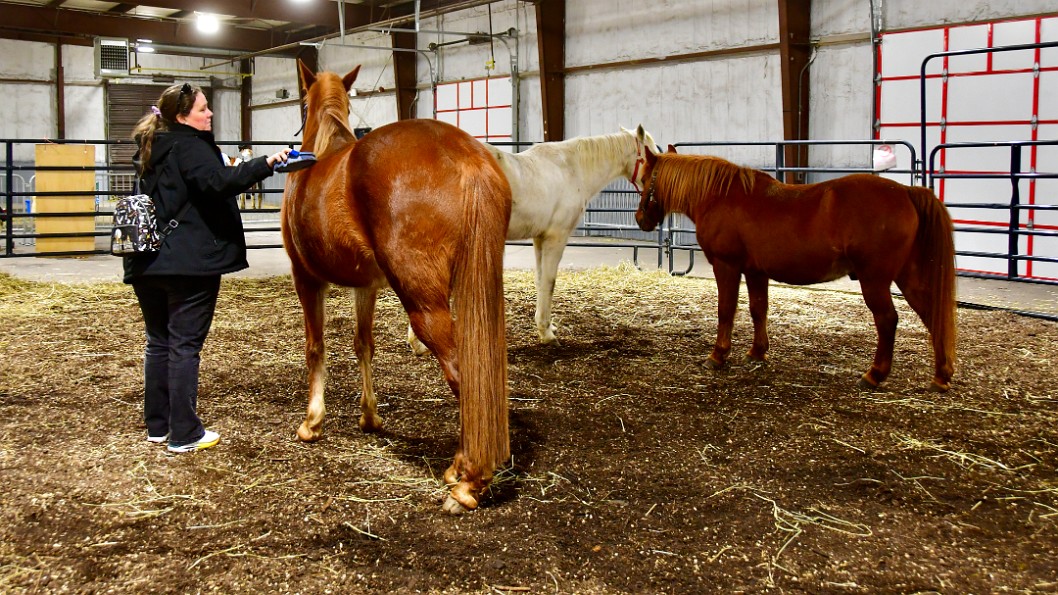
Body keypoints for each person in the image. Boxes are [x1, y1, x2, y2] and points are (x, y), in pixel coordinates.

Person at [127, 82, 290, 454]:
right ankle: (184, 433)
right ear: (183, 116)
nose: (210, 113)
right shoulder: (189, 145)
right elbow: (219, 182)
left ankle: (158, 425)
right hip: (187, 262)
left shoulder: (155, 147)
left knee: (159, 342)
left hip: (148, 262)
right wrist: (267, 163)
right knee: (184, 345)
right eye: (203, 109)